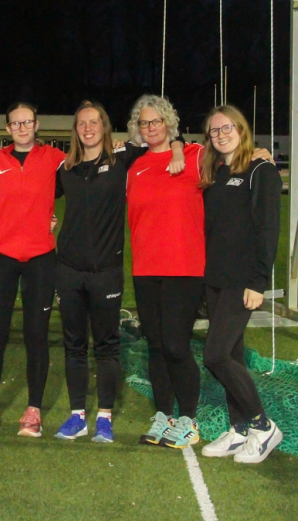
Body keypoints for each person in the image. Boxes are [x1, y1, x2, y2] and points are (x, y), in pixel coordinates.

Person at [53, 101, 185, 443]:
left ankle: (106, 418)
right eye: (81, 123)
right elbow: (32, 197)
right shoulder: (64, 168)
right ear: (76, 129)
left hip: (106, 272)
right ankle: (77, 415)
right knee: (74, 345)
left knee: (107, 347)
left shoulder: (123, 158)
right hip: (68, 270)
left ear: (104, 125)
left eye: (94, 121)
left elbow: (162, 136)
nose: (88, 128)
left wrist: (178, 147)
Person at [199, 105, 282, 463]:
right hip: (215, 280)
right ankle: (240, 429)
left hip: (241, 282)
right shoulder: (215, 172)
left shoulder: (260, 170)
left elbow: (267, 230)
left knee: (214, 355)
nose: (220, 134)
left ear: (241, 129)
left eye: (226, 127)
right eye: (214, 131)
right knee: (231, 354)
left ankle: (263, 426)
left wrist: (258, 281)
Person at [0, 102, 64, 437]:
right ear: (8, 129)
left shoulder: (55, 158)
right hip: (0, 257)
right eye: (16, 123)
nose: (22, 127)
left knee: (36, 335)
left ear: (37, 125)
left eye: (27, 122)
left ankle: (33, 410)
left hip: (41, 257)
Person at [126, 94, 206, 449]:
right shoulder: (134, 165)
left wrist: (263, 158)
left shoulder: (194, 156)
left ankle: (188, 419)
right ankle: (164, 415)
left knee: (176, 344)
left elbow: (233, 158)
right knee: (155, 346)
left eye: (156, 121)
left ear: (169, 123)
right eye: (144, 123)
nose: (150, 127)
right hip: (145, 267)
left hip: (184, 267)